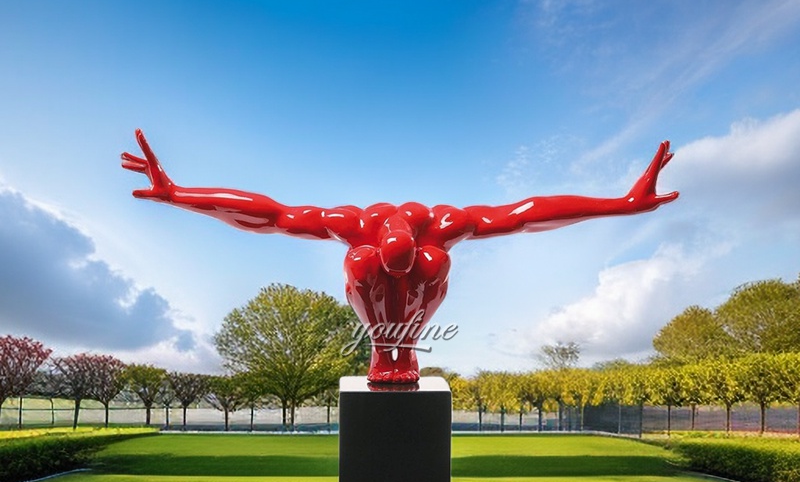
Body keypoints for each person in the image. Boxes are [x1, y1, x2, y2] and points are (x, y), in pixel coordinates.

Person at [122, 130, 678, 383]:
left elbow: (528, 213)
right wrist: (179, 195)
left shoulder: (442, 231)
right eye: (395, 271)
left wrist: (623, 205)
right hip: (374, 298)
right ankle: (384, 350)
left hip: (417, 299)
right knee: (361, 265)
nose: (400, 278)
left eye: (404, 271)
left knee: (437, 266)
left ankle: (400, 350)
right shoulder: (354, 230)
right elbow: (270, 215)